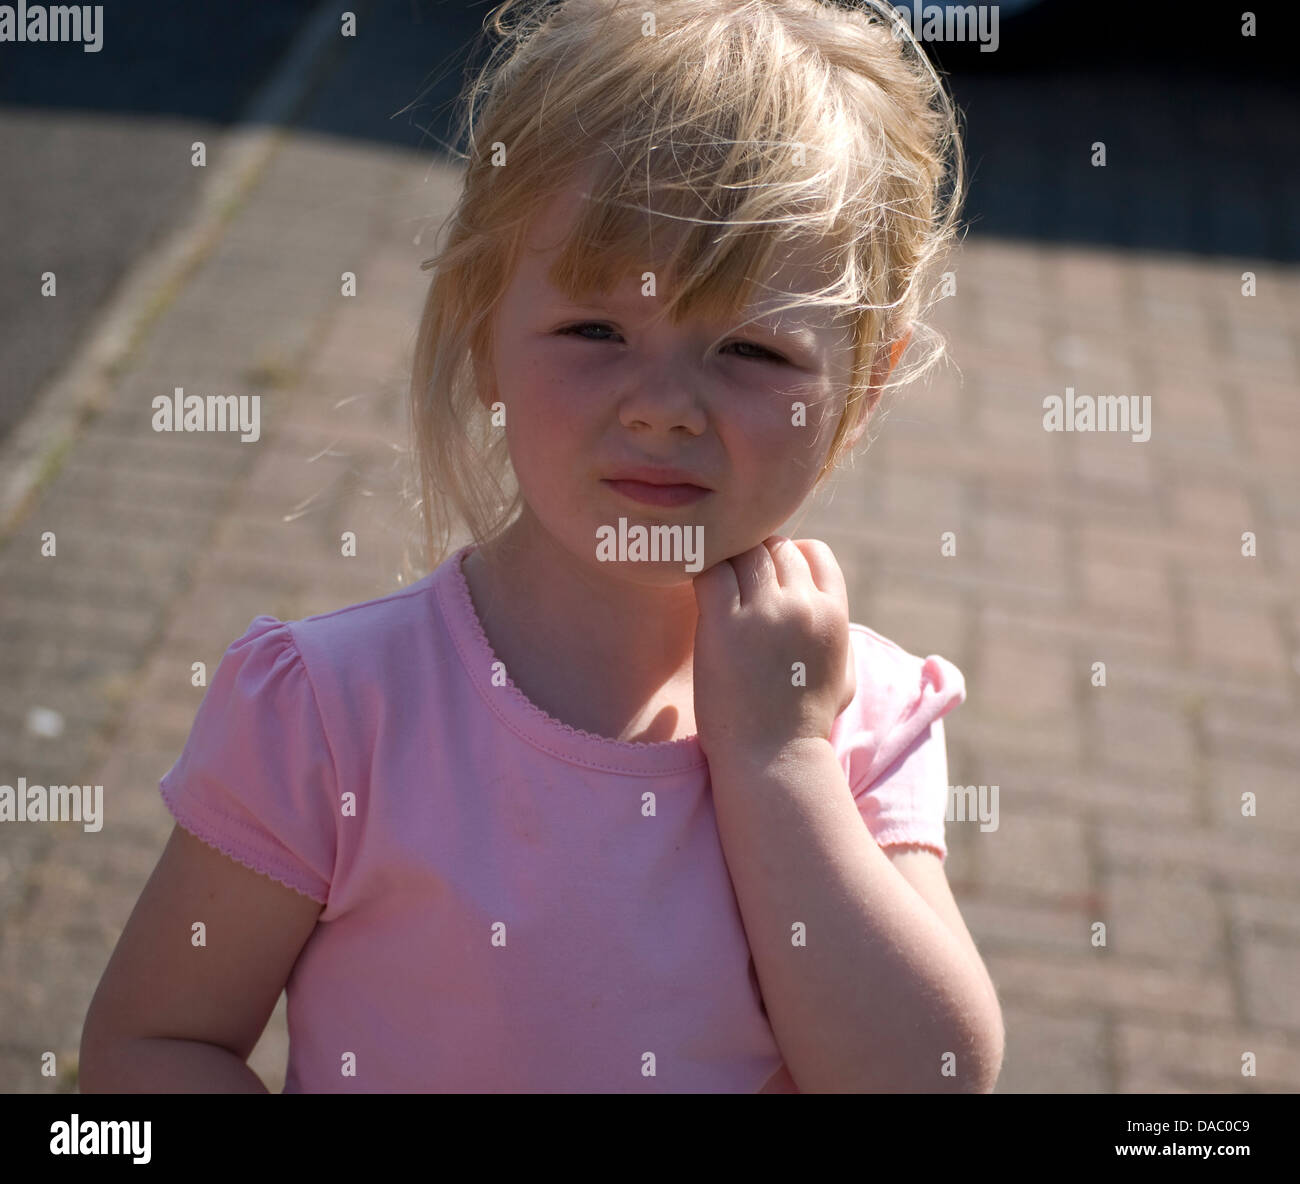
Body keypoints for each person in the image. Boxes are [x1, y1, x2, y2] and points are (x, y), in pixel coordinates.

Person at [80, 0, 1003, 1093]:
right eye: (596, 331)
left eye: (752, 349)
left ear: (857, 387)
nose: (664, 406)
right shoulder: (337, 711)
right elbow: (149, 1046)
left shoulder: (855, 716)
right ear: (483, 337)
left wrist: (779, 762)